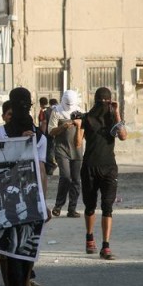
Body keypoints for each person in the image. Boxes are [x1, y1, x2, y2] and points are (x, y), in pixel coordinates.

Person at [0, 87, 50, 286]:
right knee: (10, 247)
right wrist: (18, 144)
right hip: (7, 196)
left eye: (28, 103)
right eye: (20, 103)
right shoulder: (1, 133)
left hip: (32, 197)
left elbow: (42, 169)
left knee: (27, 247)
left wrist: (44, 202)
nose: (24, 107)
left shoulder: (40, 136)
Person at [76, 87, 127, 260]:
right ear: (96, 100)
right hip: (89, 166)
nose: (104, 103)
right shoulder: (86, 118)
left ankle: (106, 246)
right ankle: (89, 237)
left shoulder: (112, 118)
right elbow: (78, 142)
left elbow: (123, 136)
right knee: (90, 206)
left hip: (109, 167)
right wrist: (77, 126)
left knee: (107, 206)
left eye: (107, 101)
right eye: (102, 100)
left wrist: (117, 113)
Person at [48, 90, 83, 218]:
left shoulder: (79, 112)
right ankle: (58, 205)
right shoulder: (56, 111)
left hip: (77, 151)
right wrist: (62, 127)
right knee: (65, 177)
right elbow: (51, 131)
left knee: (76, 180)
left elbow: (82, 135)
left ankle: (72, 208)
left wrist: (78, 126)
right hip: (61, 150)